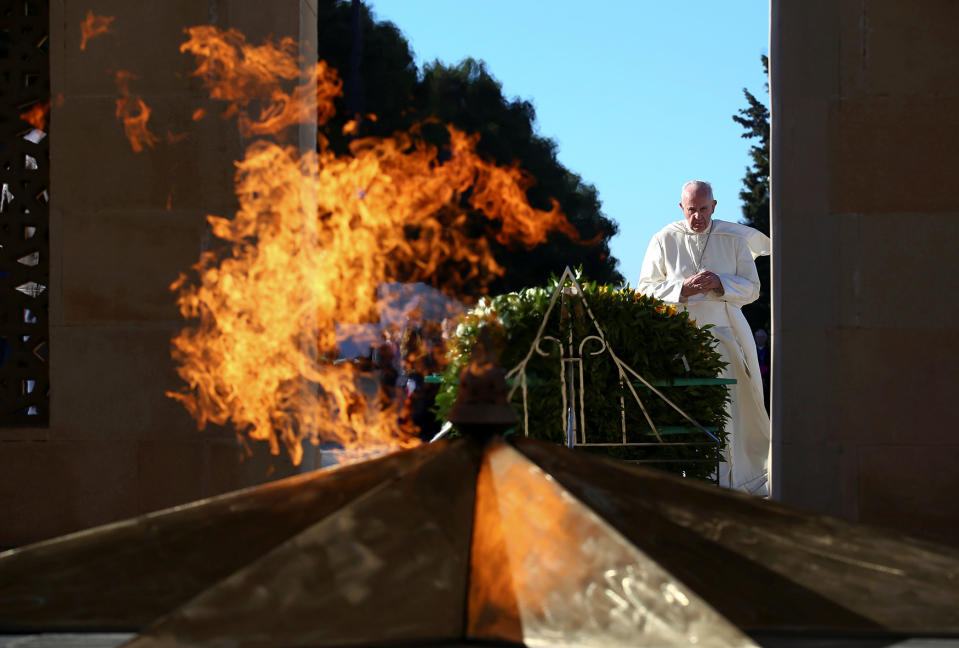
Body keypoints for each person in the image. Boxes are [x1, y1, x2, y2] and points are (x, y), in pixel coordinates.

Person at [637, 180, 771, 495]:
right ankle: (686, 479)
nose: (697, 217)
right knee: (683, 408)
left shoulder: (734, 240)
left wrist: (720, 283)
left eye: (703, 209)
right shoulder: (663, 240)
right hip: (677, 339)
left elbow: (753, 289)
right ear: (682, 208)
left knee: (730, 409)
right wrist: (682, 288)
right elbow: (643, 289)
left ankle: (732, 481)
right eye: (691, 210)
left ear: (714, 206)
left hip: (726, 337)